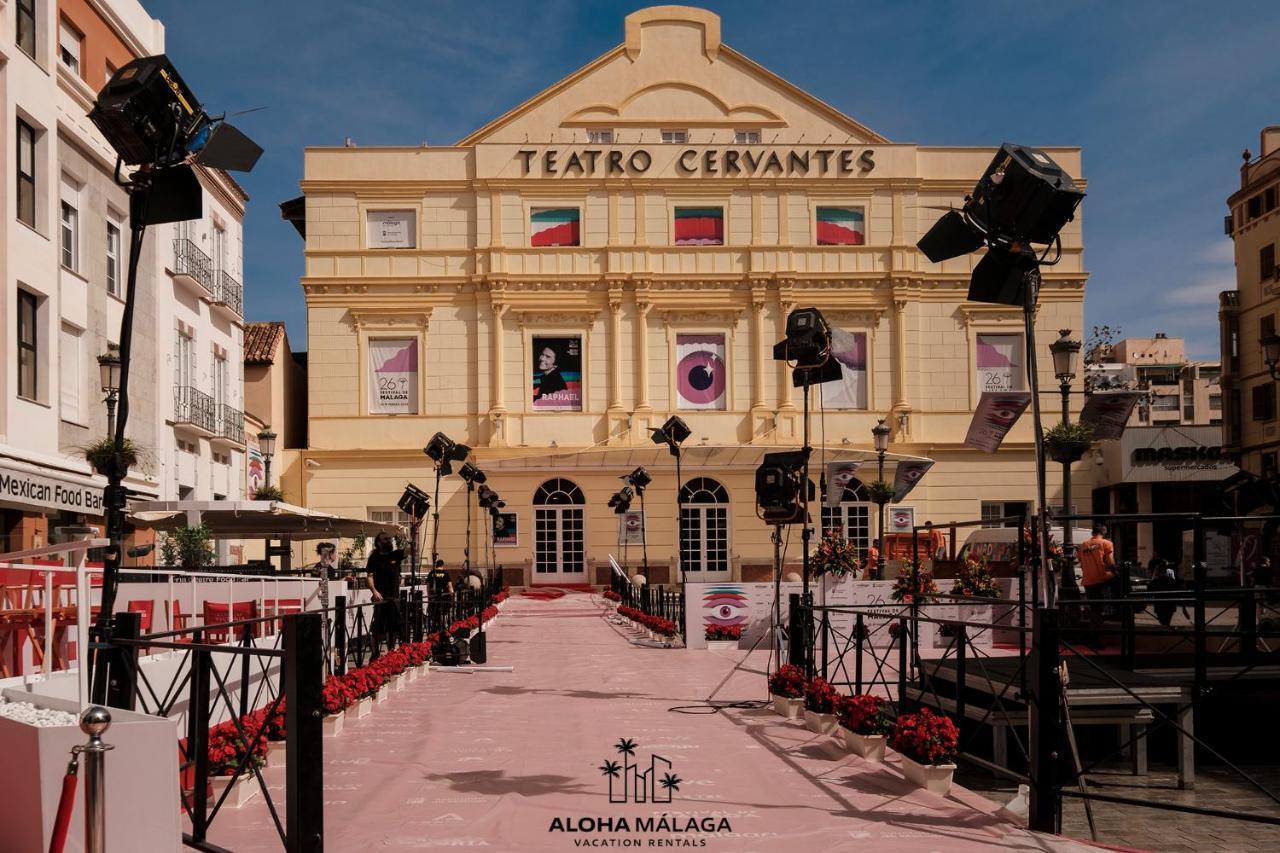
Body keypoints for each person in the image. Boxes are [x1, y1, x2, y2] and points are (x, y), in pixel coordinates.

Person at [365, 532, 405, 660]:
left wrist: (410, 535)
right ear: (378, 542)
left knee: (393, 627)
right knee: (377, 628)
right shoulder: (374, 557)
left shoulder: (395, 554)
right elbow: (369, 576)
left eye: (389, 538)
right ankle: (375, 654)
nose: (388, 540)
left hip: (394, 598)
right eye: (385, 539)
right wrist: (374, 591)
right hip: (380, 599)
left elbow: (410, 550)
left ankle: (391, 653)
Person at [1077, 524, 1117, 638]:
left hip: (1088, 580)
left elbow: (1080, 560)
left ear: (1092, 533)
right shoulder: (1106, 543)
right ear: (1104, 533)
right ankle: (1117, 608)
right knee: (1119, 584)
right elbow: (1111, 562)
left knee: (1095, 608)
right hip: (1102, 578)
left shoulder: (1083, 545)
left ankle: (1095, 634)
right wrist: (1116, 573)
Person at [315, 542, 338, 669]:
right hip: (325, 606)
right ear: (329, 553)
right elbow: (327, 585)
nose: (336, 555)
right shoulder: (325, 569)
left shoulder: (319, 567)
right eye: (334, 552)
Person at [1146, 558, 1178, 627]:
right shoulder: (1171, 581)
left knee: (1163, 621)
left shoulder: (1155, 582)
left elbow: (1149, 591)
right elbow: (1177, 591)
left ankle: (1165, 630)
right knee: (1166, 621)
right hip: (1170, 604)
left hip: (1160, 604)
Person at [426, 558, 454, 633]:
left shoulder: (431, 573)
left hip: (433, 597)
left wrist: (429, 596)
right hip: (443, 597)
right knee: (443, 613)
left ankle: (434, 628)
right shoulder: (445, 573)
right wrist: (452, 594)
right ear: (442, 565)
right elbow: (450, 586)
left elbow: (428, 586)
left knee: (434, 613)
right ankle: (443, 628)